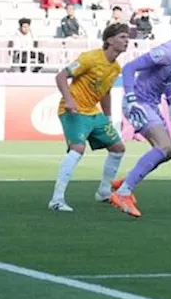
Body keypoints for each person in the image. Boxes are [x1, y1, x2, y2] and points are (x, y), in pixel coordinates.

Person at [109, 14, 171, 218]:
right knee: (164, 147)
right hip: (138, 103)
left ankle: (126, 181)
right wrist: (132, 98)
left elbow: (166, 79)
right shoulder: (167, 52)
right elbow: (129, 68)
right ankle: (123, 192)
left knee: (169, 152)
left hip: (151, 104)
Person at [47, 23, 132, 212]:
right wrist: (69, 101)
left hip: (93, 113)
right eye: (123, 37)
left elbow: (105, 92)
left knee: (118, 148)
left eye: (128, 37)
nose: (127, 41)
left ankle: (103, 191)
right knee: (78, 148)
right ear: (109, 40)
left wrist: (108, 117)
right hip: (73, 110)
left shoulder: (116, 67)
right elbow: (61, 76)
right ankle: (56, 200)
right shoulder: (90, 58)